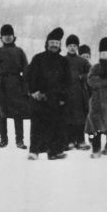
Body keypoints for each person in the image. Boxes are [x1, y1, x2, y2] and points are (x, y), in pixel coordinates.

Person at [25, 27, 71, 160]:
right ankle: (34, 151)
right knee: (37, 126)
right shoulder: (38, 58)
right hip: (39, 98)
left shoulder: (64, 61)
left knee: (56, 126)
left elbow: (67, 82)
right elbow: (29, 76)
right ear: (47, 44)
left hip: (56, 99)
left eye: (56, 44)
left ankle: (54, 152)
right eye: (51, 43)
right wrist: (34, 91)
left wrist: (63, 97)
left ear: (59, 46)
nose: (54, 46)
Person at [0, 24, 30, 149]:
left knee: (18, 113)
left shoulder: (19, 51)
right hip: (1, 85)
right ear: (1, 37)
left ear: (14, 36)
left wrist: (25, 86)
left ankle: (19, 141)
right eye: (5, 35)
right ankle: (3, 140)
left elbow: (26, 70)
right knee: (2, 113)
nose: (8, 37)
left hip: (17, 85)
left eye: (10, 35)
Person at [64, 34, 91, 151]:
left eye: (74, 45)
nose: (72, 48)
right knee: (68, 117)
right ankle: (70, 141)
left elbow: (91, 73)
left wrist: (83, 77)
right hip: (66, 93)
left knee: (80, 118)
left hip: (80, 93)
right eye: (70, 45)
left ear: (77, 47)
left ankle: (81, 141)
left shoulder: (82, 61)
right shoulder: (62, 60)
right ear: (66, 47)